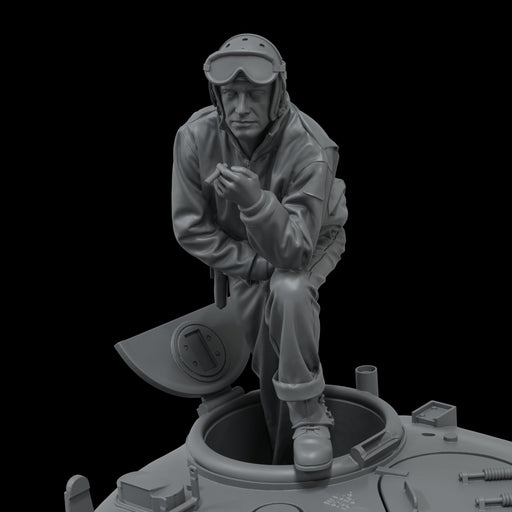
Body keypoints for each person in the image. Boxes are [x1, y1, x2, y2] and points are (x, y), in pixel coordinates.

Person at [172, 34, 348, 472]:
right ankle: (276, 456)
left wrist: (254, 203)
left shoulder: (311, 149)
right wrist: (251, 264)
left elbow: (295, 252)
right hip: (242, 252)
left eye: (254, 94)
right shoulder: (195, 137)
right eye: (230, 95)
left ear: (277, 94)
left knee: (288, 292)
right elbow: (190, 227)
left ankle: (307, 414)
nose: (241, 108)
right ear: (217, 96)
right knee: (263, 355)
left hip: (309, 243)